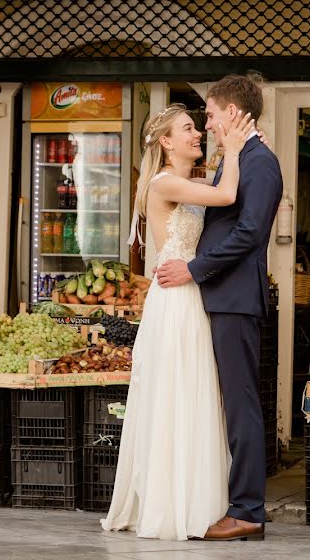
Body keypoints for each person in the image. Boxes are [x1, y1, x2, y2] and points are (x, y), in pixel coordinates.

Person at [101, 103, 255, 541]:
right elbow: (227, 196)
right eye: (188, 129)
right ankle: (173, 502)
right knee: (177, 393)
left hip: (191, 291)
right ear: (166, 142)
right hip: (177, 296)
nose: (197, 135)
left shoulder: (190, 182)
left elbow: (227, 192)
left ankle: (196, 498)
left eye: (197, 128)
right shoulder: (165, 182)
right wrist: (237, 146)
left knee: (194, 391)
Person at [155, 75, 284, 542]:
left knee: (241, 402)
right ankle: (225, 500)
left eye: (209, 114)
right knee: (224, 403)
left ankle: (248, 509)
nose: (207, 124)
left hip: (232, 297)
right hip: (216, 295)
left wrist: (194, 268)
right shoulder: (243, 158)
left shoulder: (261, 162)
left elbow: (249, 234)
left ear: (232, 112)